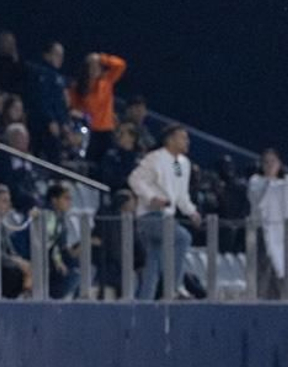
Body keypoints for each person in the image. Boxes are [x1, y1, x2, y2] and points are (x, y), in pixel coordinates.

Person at [128, 124, 199, 300]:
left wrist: (191, 212)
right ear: (170, 139)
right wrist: (151, 198)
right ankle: (174, 286)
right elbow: (135, 179)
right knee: (183, 237)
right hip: (150, 216)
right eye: (182, 137)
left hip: (167, 215)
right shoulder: (155, 158)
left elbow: (181, 193)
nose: (186, 141)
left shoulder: (181, 163)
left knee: (153, 260)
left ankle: (146, 301)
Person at [247, 147, 288, 299]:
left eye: (272, 162)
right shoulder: (256, 181)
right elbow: (257, 199)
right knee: (265, 270)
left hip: (284, 235)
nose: (269, 166)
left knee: (283, 271)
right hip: (263, 232)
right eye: (266, 162)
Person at [68, 51, 126, 162]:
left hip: (106, 131)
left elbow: (120, 65)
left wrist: (102, 58)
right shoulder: (79, 86)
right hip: (88, 131)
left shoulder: (106, 81)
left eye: (97, 65)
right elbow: (73, 108)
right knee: (87, 162)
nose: (95, 69)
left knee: (104, 163)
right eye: (92, 66)